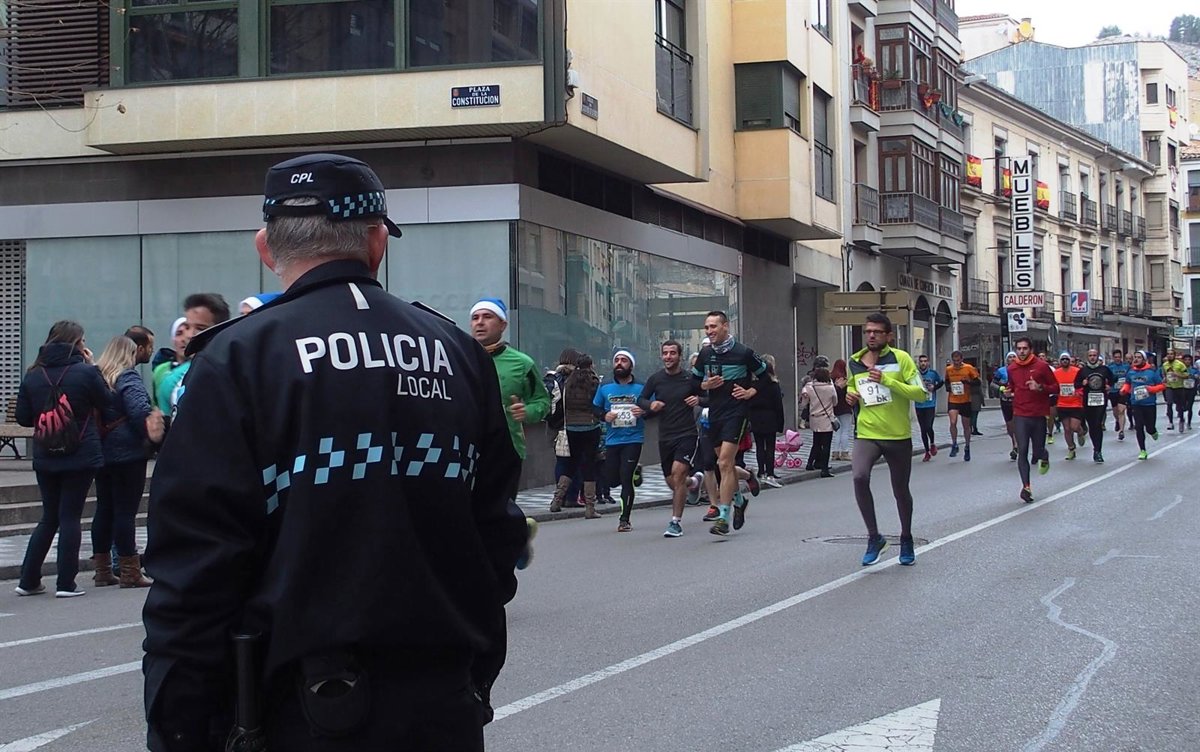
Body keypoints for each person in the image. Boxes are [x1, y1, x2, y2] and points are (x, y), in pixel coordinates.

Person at [141, 153, 528, 751]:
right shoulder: (457, 352)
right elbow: (497, 533)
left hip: (293, 710)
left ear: (266, 248)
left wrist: (179, 725)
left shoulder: (236, 358)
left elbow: (194, 565)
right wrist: (475, 671)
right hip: (442, 700)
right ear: (377, 242)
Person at [13, 321, 109, 598]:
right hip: (80, 455)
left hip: (46, 454)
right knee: (70, 517)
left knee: (49, 517)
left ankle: (28, 580)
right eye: (83, 341)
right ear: (77, 343)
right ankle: (66, 583)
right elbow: (107, 402)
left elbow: (22, 417)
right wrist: (93, 367)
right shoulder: (86, 372)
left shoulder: (33, 374)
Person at [845, 313, 927, 567]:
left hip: (897, 435)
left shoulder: (901, 359)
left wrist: (888, 381)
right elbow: (853, 385)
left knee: (900, 490)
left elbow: (920, 393)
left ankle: (906, 538)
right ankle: (874, 537)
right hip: (867, 432)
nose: (871, 335)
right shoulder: (854, 361)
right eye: (868, 331)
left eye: (877, 332)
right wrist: (850, 394)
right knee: (859, 477)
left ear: (888, 336)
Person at [92, 336, 162, 588]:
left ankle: (102, 570)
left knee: (104, 508)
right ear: (128, 354)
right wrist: (152, 435)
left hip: (101, 451)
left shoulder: (97, 377)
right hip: (127, 453)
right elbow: (139, 411)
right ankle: (130, 571)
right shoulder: (128, 377)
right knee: (125, 512)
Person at [692, 311, 767, 536]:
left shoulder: (744, 353)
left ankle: (723, 517)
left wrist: (750, 391)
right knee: (723, 465)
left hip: (737, 413)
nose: (709, 331)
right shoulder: (705, 354)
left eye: (713, 326)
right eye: (707, 327)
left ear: (726, 326)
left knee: (724, 463)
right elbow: (693, 383)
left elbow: (767, 378)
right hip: (714, 413)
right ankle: (739, 499)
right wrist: (705, 386)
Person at [469, 297, 551, 473]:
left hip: (505, 451)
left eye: (487, 317)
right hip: (464, 449)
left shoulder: (522, 363)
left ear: (503, 325)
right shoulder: (457, 357)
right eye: (475, 318)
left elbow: (542, 401)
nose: (480, 322)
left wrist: (527, 412)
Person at [638, 340, 701, 537]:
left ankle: (675, 523)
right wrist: (651, 405)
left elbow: (709, 398)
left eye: (672, 353)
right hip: (665, 436)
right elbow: (641, 399)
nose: (668, 357)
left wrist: (699, 399)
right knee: (672, 481)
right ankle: (693, 483)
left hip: (687, 434)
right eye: (665, 353)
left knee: (678, 473)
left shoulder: (690, 379)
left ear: (680, 356)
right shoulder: (656, 379)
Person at [595, 349, 645, 532]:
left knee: (625, 478)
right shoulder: (605, 387)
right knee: (611, 480)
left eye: (624, 360)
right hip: (612, 440)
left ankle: (624, 519)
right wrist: (604, 415)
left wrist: (644, 411)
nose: (619, 363)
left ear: (631, 365)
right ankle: (636, 471)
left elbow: (653, 407)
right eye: (617, 360)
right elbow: (594, 408)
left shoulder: (641, 387)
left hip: (633, 439)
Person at [551, 354, 602, 517]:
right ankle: (590, 508)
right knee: (589, 466)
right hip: (590, 426)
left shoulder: (570, 381)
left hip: (572, 427)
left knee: (571, 464)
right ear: (591, 365)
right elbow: (596, 403)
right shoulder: (593, 380)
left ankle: (557, 500)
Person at [1007, 337, 1057, 503]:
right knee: (1022, 450)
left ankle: (1044, 455)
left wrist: (1040, 387)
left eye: (1025, 348)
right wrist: (1008, 391)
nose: (1021, 351)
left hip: (1038, 414)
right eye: (1019, 349)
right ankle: (1026, 487)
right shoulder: (1012, 368)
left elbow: (1055, 387)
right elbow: (1012, 386)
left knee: (1037, 451)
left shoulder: (1041, 366)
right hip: (1020, 413)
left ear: (1031, 350)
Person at [747, 354, 785, 486]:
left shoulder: (753, 385)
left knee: (759, 446)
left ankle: (761, 472)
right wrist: (780, 422)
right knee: (770, 447)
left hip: (756, 417)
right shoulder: (773, 384)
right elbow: (778, 405)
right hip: (770, 417)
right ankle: (770, 474)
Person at [1121, 350, 1166, 460]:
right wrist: (1124, 390)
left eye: (1139, 357)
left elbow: (1162, 385)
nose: (1136, 359)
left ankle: (1153, 431)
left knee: (1149, 427)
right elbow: (1127, 383)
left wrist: (1151, 389)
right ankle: (1142, 450)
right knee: (1139, 426)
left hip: (1149, 404)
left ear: (1144, 360)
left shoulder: (1151, 372)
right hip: (1136, 403)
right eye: (1135, 357)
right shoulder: (1131, 372)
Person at [1074, 348, 1113, 463]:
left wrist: (1109, 386)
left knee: (1097, 424)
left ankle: (1098, 451)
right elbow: (1076, 384)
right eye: (1090, 355)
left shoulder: (1104, 369)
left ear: (1097, 356)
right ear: (1087, 357)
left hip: (1100, 400)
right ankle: (1095, 447)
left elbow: (1113, 379)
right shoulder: (1083, 370)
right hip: (1088, 401)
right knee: (1092, 426)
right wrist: (1082, 383)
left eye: (1094, 355)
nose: (1092, 357)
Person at [798, 366, 837, 477]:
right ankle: (824, 469)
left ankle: (810, 463)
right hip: (827, 418)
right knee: (826, 445)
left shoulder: (810, 387)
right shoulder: (830, 387)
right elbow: (835, 402)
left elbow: (804, 403)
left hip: (814, 418)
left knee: (816, 443)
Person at [943, 350, 979, 461]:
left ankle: (967, 447)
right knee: (953, 422)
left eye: (958, 361)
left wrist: (968, 382)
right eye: (954, 361)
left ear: (962, 359)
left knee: (966, 426)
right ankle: (954, 444)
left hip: (965, 400)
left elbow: (978, 382)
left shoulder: (968, 368)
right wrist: (948, 387)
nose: (956, 363)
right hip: (953, 399)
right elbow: (946, 381)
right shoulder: (949, 369)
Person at [1052, 352, 1086, 459]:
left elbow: (1083, 383)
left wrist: (1080, 392)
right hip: (1062, 404)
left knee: (1074, 427)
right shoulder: (1056, 373)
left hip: (1076, 404)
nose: (1065, 361)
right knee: (1067, 429)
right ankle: (1071, 449)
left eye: (1066, 359)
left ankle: (1080, 431)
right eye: (1062, 359)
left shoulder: (1077, 371)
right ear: (1060, 361)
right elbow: (1053, 386)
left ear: (1070, 360)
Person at [150, 317, 187, 411]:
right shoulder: (160, 370)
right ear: (173, 340)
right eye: (179, 333)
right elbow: (156, 404)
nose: (184, 339)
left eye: (188, 333)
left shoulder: (202, 367)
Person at [914, 354, 943, 462]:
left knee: (928, 426)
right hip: (919, 404)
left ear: (928, 363)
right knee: (922, 429)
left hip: (930, 404)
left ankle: (932, 443)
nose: (923, 363)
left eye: (925, 361)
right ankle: (927, 452)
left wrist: (934, 387)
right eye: (921, 361)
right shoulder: (915, 374)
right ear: (918, 363)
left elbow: (941, 382)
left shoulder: (933, 373)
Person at [991, 351, 1019, 461]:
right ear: (1006, 360)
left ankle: (1016, 446)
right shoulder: (1001, 371)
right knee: (1009, 426)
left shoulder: (1020, 370)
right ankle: (1015, 442)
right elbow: (993, 383)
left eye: (1014, 357)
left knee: (1016, 423)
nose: (1012, 358)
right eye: (1010, 357)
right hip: (1005, 401)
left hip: (1018, 401)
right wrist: (1000, 388)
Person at [830, 358, 854, 461]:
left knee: (838, 431)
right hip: (845, 408)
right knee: (845, 431)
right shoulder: (844, 380)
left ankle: (835, 453)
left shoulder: (831, 379)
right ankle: (845, 452)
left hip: (835, 408)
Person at [1161, 349, 1189, 431]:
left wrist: (1177, 374)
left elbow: (1186, 375)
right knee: (1169, 403)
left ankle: (1181, 420)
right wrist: (1164, 378)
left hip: (1179, 387)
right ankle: (1170, 422)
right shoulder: (1165, 365)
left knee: (1179, 406)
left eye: (1171, 354)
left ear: (1174, 355)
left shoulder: (1180, 364)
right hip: (1169, 387)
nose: (1169, 355)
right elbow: (1164, 374)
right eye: (1168, 354)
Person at [1107, 349, 1131, 440]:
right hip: (1113, 391)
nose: (1117, 359)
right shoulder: (1110, 367)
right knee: (1115, 411)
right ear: (1113, 358)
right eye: (1115, 357)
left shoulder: (1126, 366)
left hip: (1123, 391)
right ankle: (1117, 421)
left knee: (1121, 410)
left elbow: (1130, 377)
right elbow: (1107, 379)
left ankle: (1121, 431)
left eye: (1119, 357)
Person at [1181, 353, 1198, 431]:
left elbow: (1197, 376)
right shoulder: (1181, 369)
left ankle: (1189, 423)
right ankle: (1182, 420)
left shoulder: (1194, 369)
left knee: (1190, 407)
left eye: (1189, 360)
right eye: (1185, 360)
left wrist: (1195, 376)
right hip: (1183, 389)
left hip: (1191, 389)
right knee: (1182, 407)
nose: (1187, 361)